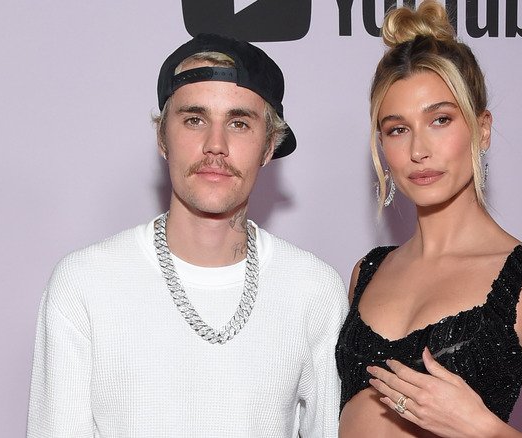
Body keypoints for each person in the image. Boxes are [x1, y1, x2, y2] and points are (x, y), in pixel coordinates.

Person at [27, 33, 347, 437]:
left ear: (268, 147)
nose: (216, 145)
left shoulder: (314, 290)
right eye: (194, 120)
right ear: (162, 138)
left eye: (239, 123)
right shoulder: (84, 283)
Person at [335, 2, 522, 437]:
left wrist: (478, 427)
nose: (418, 150)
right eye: (398, 129)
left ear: (481, 129)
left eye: (440, 120)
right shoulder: (368, 271)